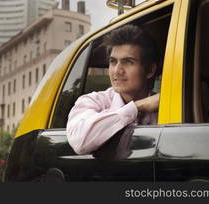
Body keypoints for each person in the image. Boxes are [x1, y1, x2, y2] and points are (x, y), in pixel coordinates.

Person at [66, 24, 160, 155]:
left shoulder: (166, 106)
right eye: (113, 62)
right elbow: (80, 142)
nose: (117, 71)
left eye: (128, 62)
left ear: (150, 70)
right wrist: (137, 107)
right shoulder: (94, 101)